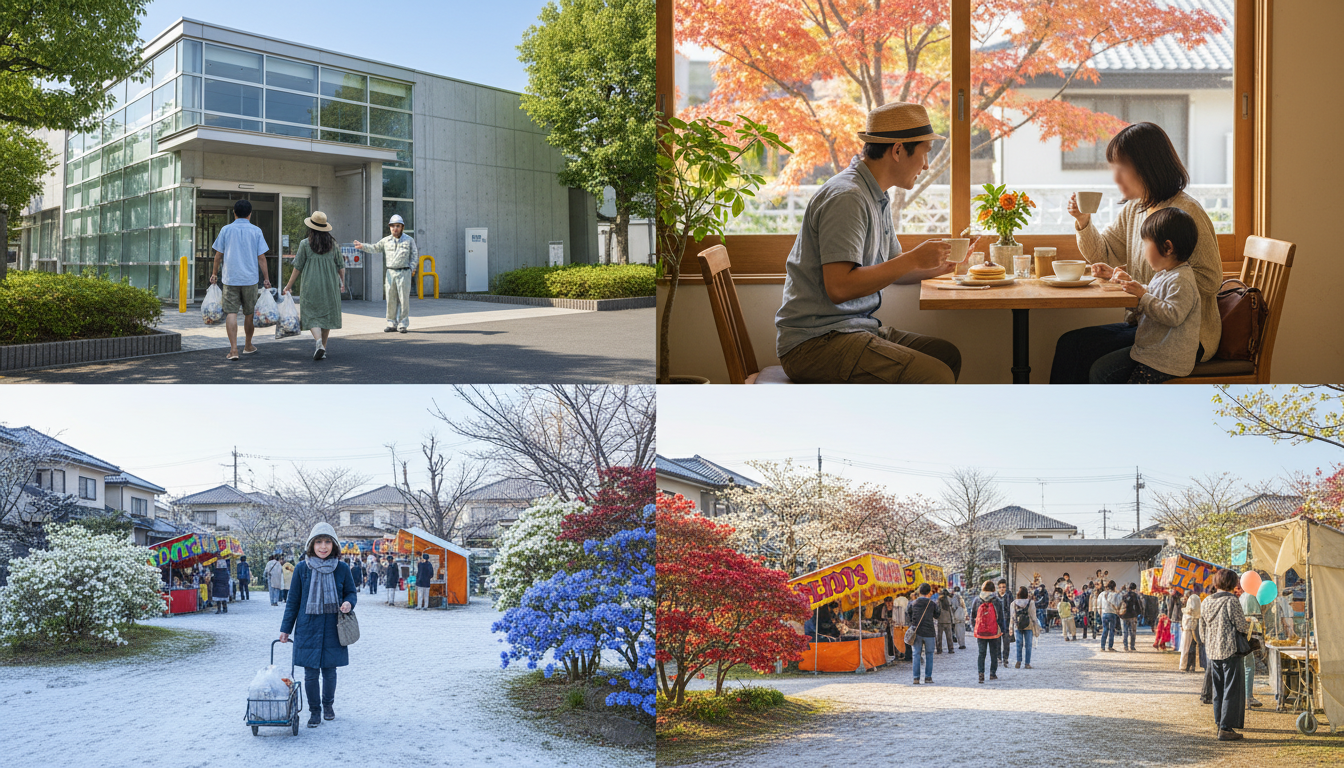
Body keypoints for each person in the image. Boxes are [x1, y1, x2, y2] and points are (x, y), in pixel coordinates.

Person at [773, 102, 979, 384]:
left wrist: (944, 265)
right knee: (937, 375)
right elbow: (839, 287)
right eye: (925, 153)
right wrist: (914, 258)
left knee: (946, 355)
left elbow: (894, 268)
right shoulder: (848, 197)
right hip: (816, 343)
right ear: (898, 150)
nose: (927, 165)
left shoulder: (875, 195)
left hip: (852, 330)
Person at [1051, 122, 1222, 382]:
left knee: (1093, 363)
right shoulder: (1136, 208)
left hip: (1183, 335)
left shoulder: (1185, 212)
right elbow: (1103, 253)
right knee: (1071, 344)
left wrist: (1143, 288)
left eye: (1121, 168)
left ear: (1147, 166)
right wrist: (1084, 221)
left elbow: (1210, 280)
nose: (1115, 177)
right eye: (1113, 168)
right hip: (1149, 324)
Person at [1088, 207, 1204, 383]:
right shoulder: (1165, 274)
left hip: (1164, 361)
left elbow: (1173, 315)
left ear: (1167, 247)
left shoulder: (1182, 280)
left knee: (1106, 375)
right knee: (1101, 369)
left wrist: (1142, 295)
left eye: (1146, 244)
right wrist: (1127, 284)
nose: (1143, 251)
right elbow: (1152, 297)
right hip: (1152, 352)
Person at [279, 522, 358, 728]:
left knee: (330, 671)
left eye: (327, 542)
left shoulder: (341, 568)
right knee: (311, 673)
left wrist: (349, 603)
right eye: (319, 542)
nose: (323, 547)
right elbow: (293, 601)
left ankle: (328, 706)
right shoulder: (301, 569)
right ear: (311, 545)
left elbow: (351, 592)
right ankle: (315, 711)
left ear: (334, 545)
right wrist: (286, 629)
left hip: (333, 626)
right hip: (308, 627)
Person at [209, 198, 272, 361]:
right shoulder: (256, 231)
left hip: (230, 279)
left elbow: (218, 255)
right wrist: (266, 279)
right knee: (249, 313)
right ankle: (248, 345)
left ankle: (233, 350)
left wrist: (214, 274)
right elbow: (262, 257)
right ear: (250, 214)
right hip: (250, 279)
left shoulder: (226, 230)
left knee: (231, 313)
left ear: (234, 213)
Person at [282, 211, 346, 361]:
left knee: (310, 314)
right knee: (326, 315)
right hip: (330, 285)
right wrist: (342, 282)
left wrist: (288, 285)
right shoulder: (333, 244)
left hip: (310, 284)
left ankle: (318, 343)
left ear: (311, 227)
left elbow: (297, 267)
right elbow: (340, 266)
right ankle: (323, 347)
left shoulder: (305, 244)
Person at [1200, 569, 1249, 741]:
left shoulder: (1206, 601)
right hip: (1230, 650)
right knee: (1231, 690)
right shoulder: (1231, 601)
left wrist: (1209, 642)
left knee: (1218, 689)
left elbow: (1202, 629)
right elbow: (1241, 626)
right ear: (1232, 583)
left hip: (1212, 651)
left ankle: (1219, 722)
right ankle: (1226, 728)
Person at [353, 214, 418, 333]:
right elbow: (375, 248)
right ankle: (391, 322)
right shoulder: (386, 241)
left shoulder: (409, 240)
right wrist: (362, 246)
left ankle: (403, 323)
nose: (395, 228)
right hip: (390, 272)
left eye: (397, 226)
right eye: (392, 226)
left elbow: (414, 255)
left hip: (404, 272)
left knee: (404, 300)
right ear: (389, 227)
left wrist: (411, 268)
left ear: (402, 227)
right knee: (390, 298)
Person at [968, 580, 1004, 684]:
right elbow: (1000, 617)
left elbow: (972, 615)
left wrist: (974, 627)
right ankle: (992, 673)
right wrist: (1002, 629)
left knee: (981, 653)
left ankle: (981, 673)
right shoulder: (997, 600)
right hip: (994, 632)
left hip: (981, 632)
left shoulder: (977, 599)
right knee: (994, 653)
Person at [905, 583, 940, 685]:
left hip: (917, 632)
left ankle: (916, 678)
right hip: (929, 632)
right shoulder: (932, 604)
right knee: (929, 655)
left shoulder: (912, 603)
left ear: (919, 591)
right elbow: (937, 615)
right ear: (929, 592)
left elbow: (908, 615)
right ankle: (928, 677)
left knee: (916, 654)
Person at [1238, 585, 1263, 708]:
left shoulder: (1242, 597)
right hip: (1248, 636)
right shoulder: (1250, 597)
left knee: (1245, 665)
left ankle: (1245, 696)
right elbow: (1254, 617)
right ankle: (1248, 697)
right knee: (1249, 666)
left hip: (1243, 635)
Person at [1010, 586, 1041, 668]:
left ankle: (1018, 661)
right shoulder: (1031, 602)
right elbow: (1033, 616)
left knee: (1018, 644)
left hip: (1018, 625)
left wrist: (1011, 627)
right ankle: (1027, 663)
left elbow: (1012, 616)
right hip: (1028, 625)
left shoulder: (1014, 603)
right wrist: (1036, 626)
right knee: (1028, 645)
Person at [1180, 586, 1204, 671]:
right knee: (1191, 648)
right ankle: (1190, 665)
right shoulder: (1191, 610)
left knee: (1189, 648)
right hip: (1193, 630)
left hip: (1191, 631)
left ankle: (1189, 665)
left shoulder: (1190, 609)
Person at [1099, 581, 1121, 652]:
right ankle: (1110, 646)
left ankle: (1102, 646)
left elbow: (1099, 604)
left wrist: (1100, 613)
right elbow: (1118, 604)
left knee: (1105, 629)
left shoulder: (1102, 594)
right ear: (1114, 587)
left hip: (1104, 613)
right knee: (1112, 630)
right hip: (1112, 613)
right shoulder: (1115, 595)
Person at [1121, 583, 1143, 651]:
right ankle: (1132, 646)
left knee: (1125, 632)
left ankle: (1125, 646)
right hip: (1133, 616)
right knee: (1132, 632)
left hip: (1124, 616)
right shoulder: (1136, 596)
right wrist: (1138, 614)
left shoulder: (1124, 595)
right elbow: (1139, 606)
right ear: (1135, 588)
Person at [995, 579, 1013, 663]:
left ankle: (1005, 657)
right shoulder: (995, 597)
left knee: (1006, 642)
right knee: (997, 641)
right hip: (998, 622)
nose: (1002, 589)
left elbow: (1012, 608)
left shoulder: (1009, 596)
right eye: (1000, 587)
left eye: (1003, 587)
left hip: (1007, 622)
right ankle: (998, 657)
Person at [893, 591, 912, 661]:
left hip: (898, 625)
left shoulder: (896, 601)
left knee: (899, 640)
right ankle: (908, 655)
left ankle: (902, 654)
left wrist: (895, 622)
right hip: (906, 624)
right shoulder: (907, 601)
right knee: (907, 640)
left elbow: (895, 614)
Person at [935, 589, 955, 654]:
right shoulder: (949, 600)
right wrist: (952, 620)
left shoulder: (939, 600)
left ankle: (939, 649)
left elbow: (936, 609)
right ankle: (951, 649)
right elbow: (951, 610)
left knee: (939, 636)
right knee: (949, 636)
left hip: (940, 620)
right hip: (948, 620)